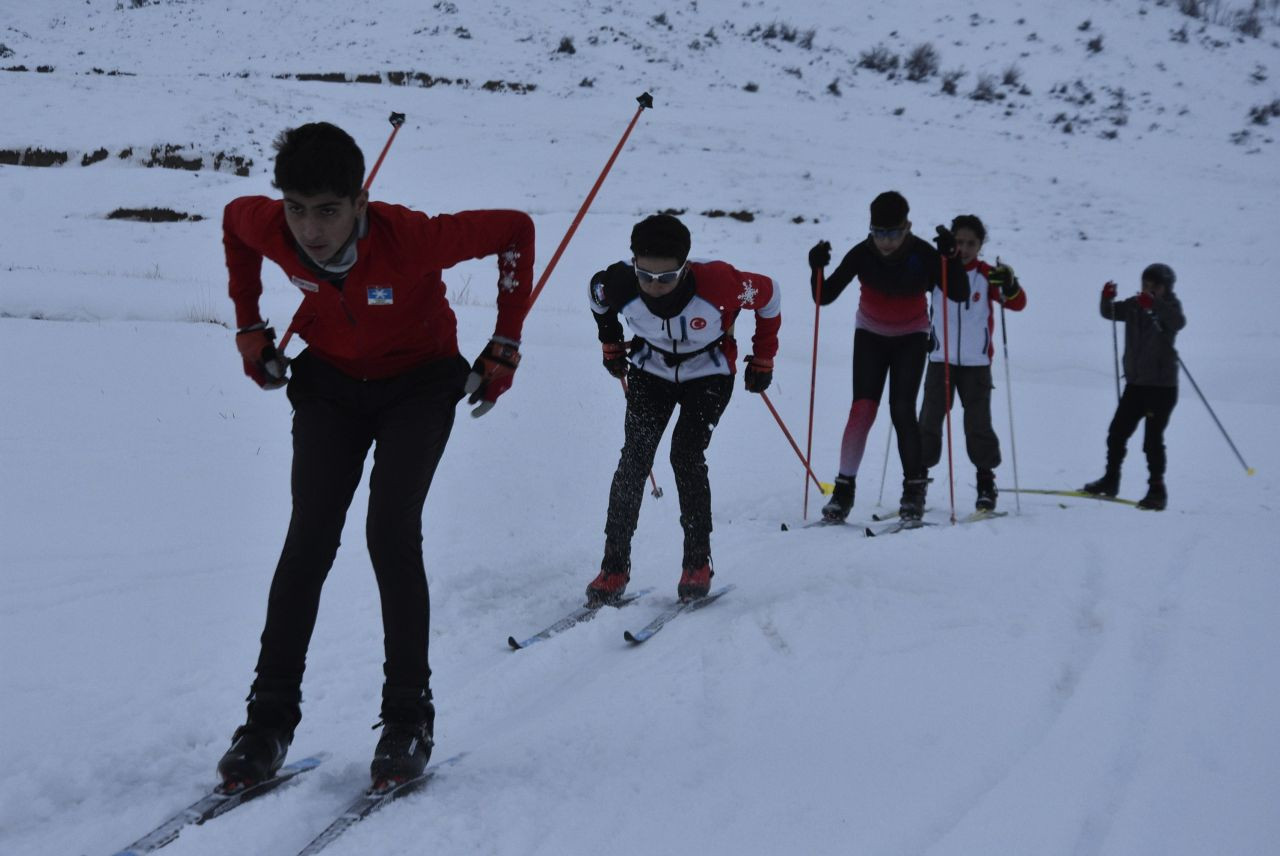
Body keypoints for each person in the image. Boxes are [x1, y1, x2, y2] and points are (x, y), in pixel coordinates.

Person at [217, 122, 534, 790]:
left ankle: (407, 718)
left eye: (329, 211)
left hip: (419, 384)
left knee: (389, 532)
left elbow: (514, 229)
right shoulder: (268, 225)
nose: (311, 229)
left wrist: (505, 341)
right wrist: (249, 324)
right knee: (309, 539)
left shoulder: (412, 238)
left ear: (360, 202)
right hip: (329, 384)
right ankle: (266, 722)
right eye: (298, 210)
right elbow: (234, 225)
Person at [585, 214, 780, 603]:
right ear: (633, 263)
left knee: (685, 454)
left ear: (685, 267)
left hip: (707, 373)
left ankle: (697, 562)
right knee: (634, 459)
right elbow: (596, 296)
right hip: (650, 371)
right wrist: (610, 342)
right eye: (646, 276)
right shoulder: (619, 282)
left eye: (667, 278)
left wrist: (764, 358)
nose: (655, 288)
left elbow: (770, 296)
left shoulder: (721, 283)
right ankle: (613, 568)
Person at [807, 191, 968, 523]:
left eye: (893, 233)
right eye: (879, 232)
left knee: (902, 410)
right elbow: (824, 296)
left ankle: (914, 490)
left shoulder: (923, 254)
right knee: (862, 410)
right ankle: (843, 491)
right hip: (870, 335)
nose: (885, 241)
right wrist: (816, 268)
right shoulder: (863, 253)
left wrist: (951, 258)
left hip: (911, 336)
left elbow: (960, 293)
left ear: (907, 226)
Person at [918, 214, 1027, 511]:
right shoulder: (938, 270)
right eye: (959, 242)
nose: (964, 248)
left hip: (976, 363)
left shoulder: (986, 274)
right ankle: (917, 484)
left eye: (971, 243)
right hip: (940, 359)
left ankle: (985, 483)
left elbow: (1017, 303)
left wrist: (1010, 283)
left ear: (980, 245)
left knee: (978, 424)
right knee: (928, 422)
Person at [1083, 263, 1185, 510]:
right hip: (1136, 385)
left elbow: (1178, 322)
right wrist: (1106, 298)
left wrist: (1156, 306)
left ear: (1166, 288)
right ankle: (1111, 479)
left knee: (1151, 441)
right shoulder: (1134, 305)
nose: (1148, 290)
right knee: (1117, 433)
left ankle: (1157, 490)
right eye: (1145, 284)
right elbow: (1110, 313)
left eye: (1155, 286)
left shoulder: (1170, 307)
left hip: (1161, 388)